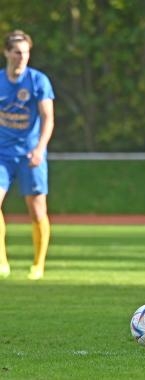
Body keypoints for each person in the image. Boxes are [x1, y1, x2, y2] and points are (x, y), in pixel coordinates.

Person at [0, 30, 54, 280]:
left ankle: (38, 264)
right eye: (17, 52)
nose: (22, 57)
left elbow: (47, 117)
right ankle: (2, 262)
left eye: (26, 52)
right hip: (2, 154)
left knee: (36, 211)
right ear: (7, 53)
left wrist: (40, 148)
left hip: (31, 153)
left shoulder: (38, 81)